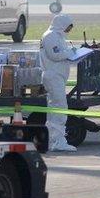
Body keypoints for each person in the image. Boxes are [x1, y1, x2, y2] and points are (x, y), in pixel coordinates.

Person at [39, 14, 77, 152]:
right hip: (53, 76)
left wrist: (72, 55)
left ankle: (51, 139)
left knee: (54, 108)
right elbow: (55, 55)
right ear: (62, 24)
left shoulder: (58, 36)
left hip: (57, 76)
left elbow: (61, 54)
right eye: (68, 27)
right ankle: (59, 140)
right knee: (60, 106)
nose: (68, 30)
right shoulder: (51, 36)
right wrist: (70, 53)